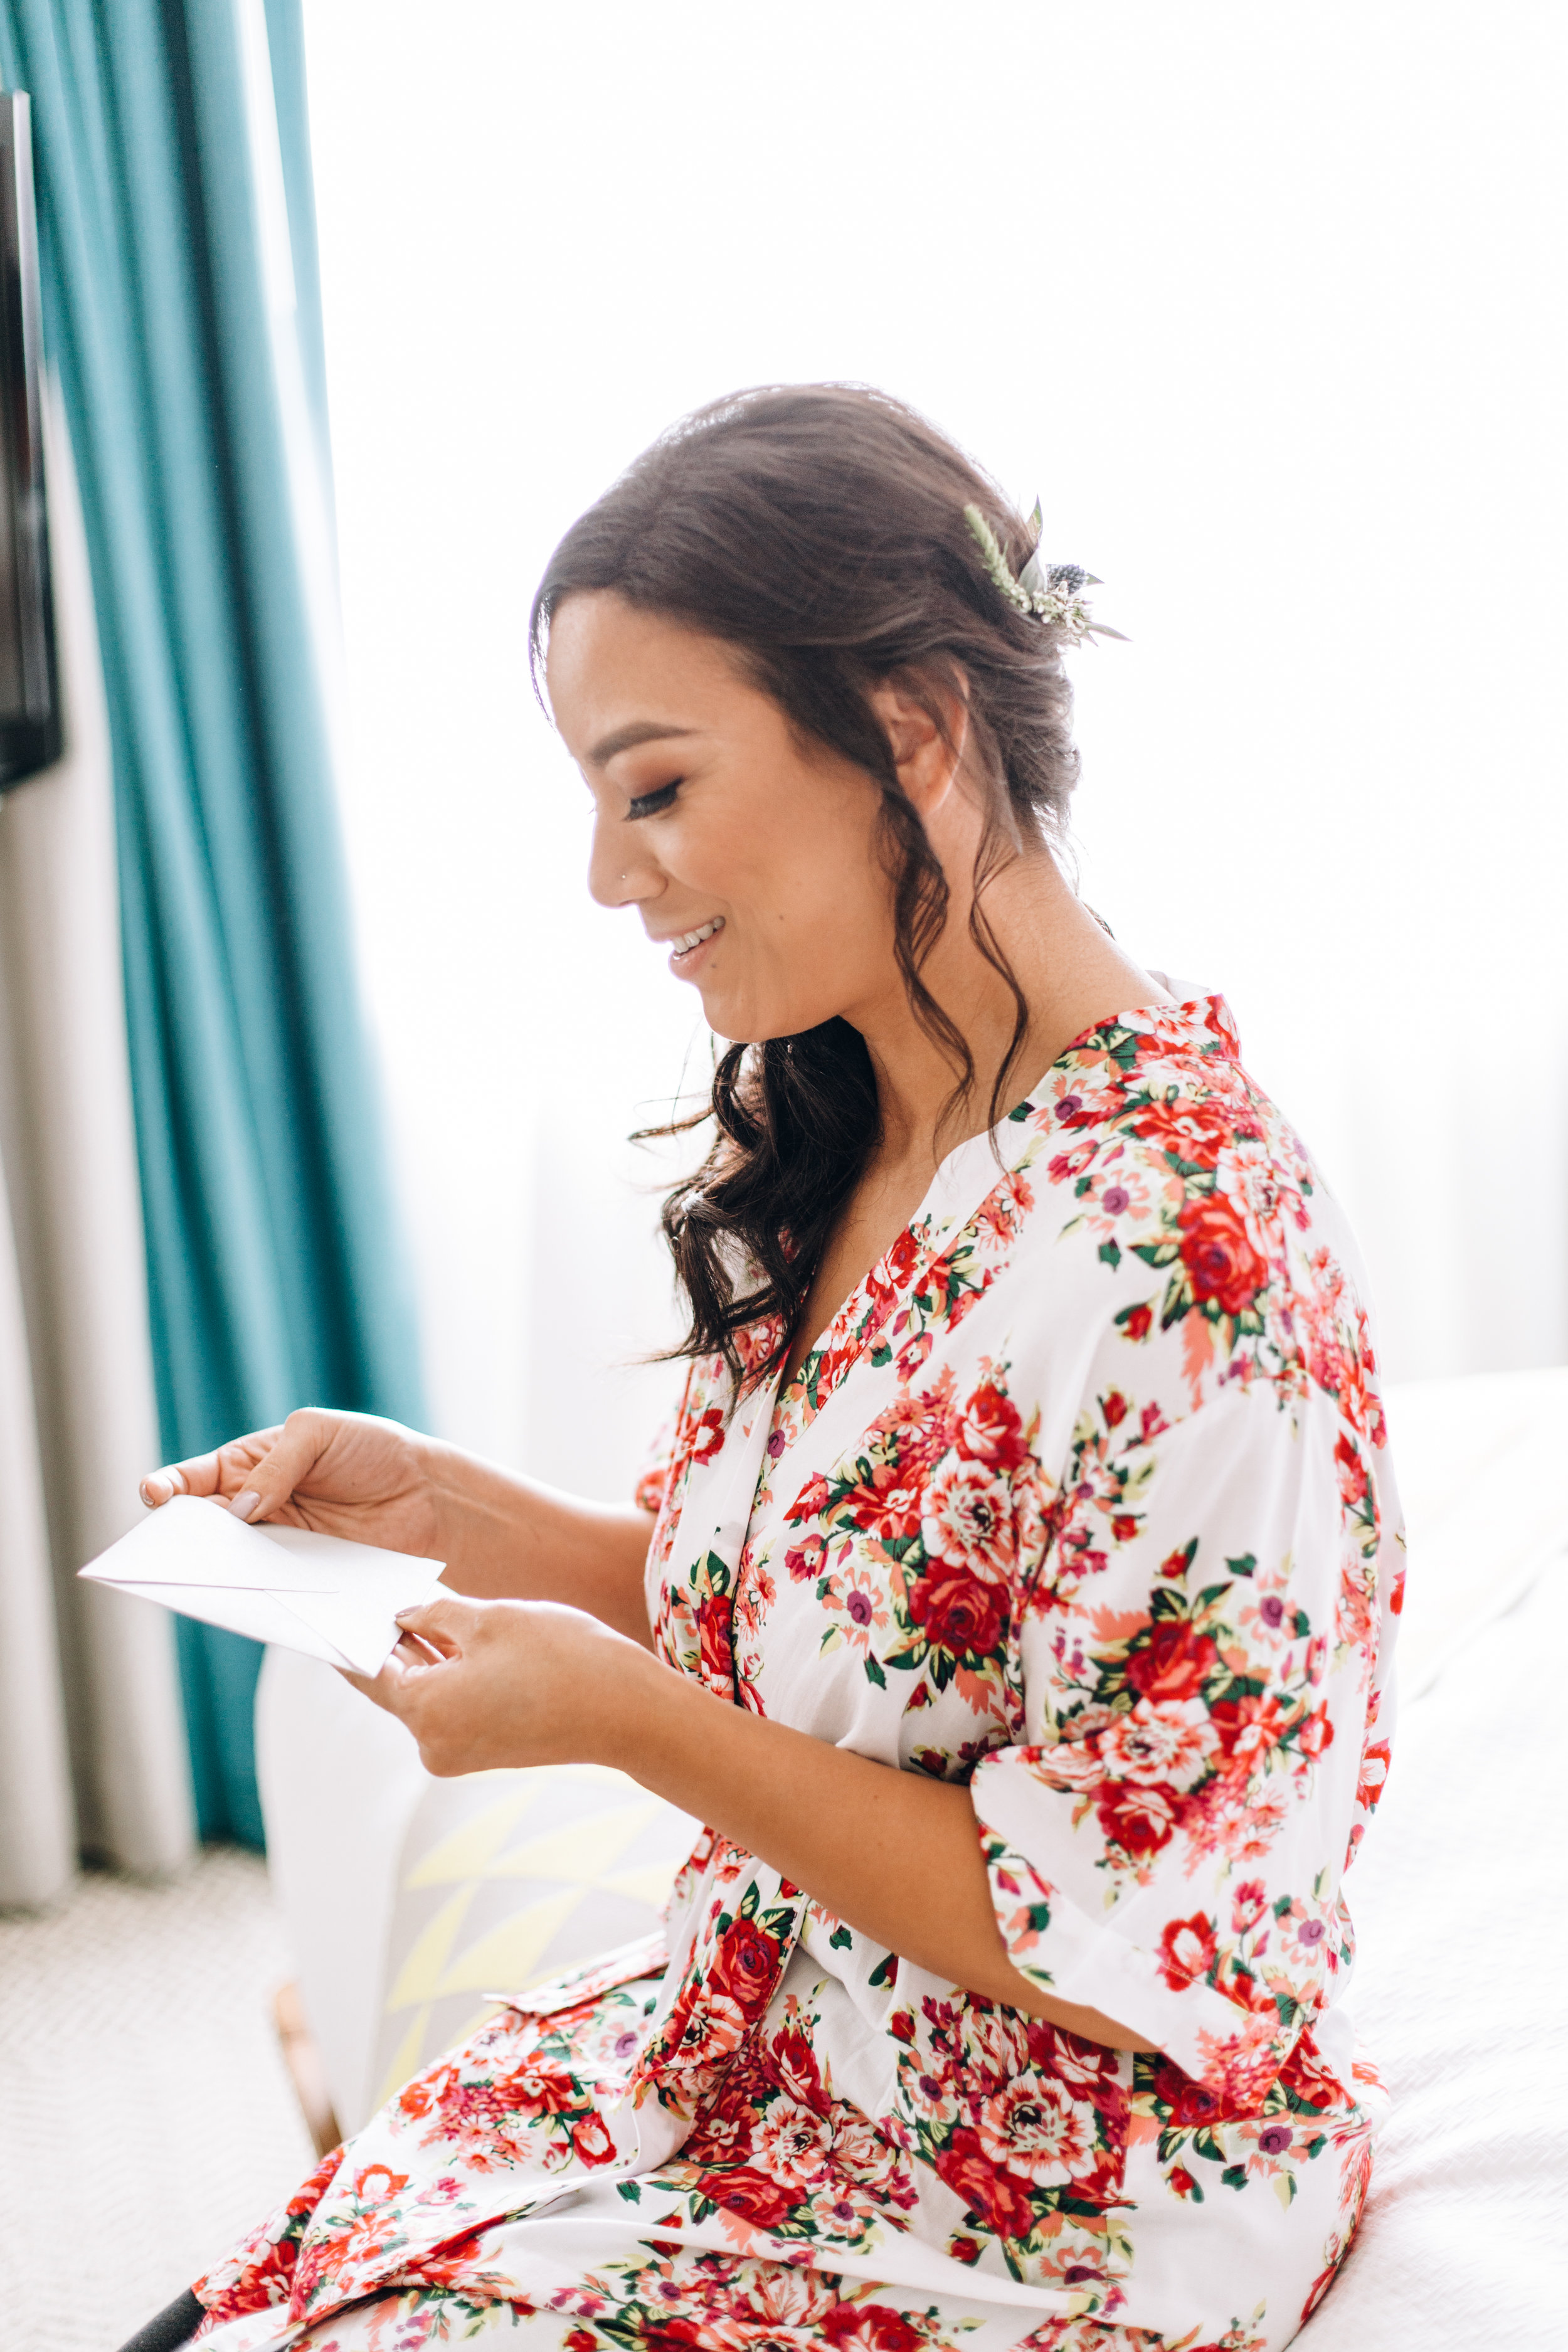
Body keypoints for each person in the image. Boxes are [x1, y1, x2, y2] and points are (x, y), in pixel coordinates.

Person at [127, 386, 1400, 2352]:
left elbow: (1140, 1933)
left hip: (1036, 2188)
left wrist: (636, 1727)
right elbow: (851, 1627)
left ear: (911, 730)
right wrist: (466, 1516)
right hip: (756, 2054)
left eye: (652, 788)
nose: (606, 877)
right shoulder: (845, 1120)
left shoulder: (1182, 1252)